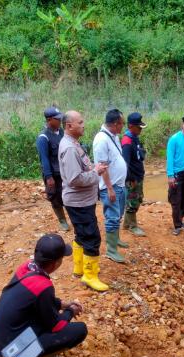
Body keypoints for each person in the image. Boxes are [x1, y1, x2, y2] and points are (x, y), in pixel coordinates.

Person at [0, 234, 87, 357]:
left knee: (41, 318)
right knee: (79, 330)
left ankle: (28, 352)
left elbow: (37, 300)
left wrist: (62, 304)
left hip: (0, 343)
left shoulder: (26, 268)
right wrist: (70, 311)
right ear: (56, 263)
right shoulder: (43, 286)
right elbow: (56, 326)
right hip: (12, 353)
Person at [58, 110, 109, 291]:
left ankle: (79, 268)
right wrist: (96, 173)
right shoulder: (70, 148)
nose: (83, 124)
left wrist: (93, 168)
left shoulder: (72, 143)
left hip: (80, 201)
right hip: (78, 202)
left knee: (81, 234)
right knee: (91, 237)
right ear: (69, 126)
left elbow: (80, 169)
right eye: (80, 122)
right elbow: (75, 179)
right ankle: (90, 275)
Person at [93, 109, 129, 263]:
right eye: (122, 123)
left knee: (119, 214)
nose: (123, 126)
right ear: (115, 124)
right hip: (111, 186)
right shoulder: (102, 139)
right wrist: (109, 188)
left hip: (119, 184)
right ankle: (111, 250)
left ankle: (116, 240)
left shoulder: (113, 136)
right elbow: (102, 167)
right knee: (112, 217)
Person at [36, 106, 69, 231]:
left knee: (67, 195)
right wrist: (49, 177)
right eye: (57, 119)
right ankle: (62, 220)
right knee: (54, 197)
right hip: (53, 173)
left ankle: (71, 216)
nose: (60, 121)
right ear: (49, 120)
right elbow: (44, 159)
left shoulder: (61, 132)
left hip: (64, 171)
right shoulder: (43, 138)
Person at [121, 112, 147, 237]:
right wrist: (130, 178)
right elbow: (125, 163)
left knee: (138, 199)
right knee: (132, 201)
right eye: (139, 127)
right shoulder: (127, 141)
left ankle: (127, 223)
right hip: (132, 178)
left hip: (138, 175)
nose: (141, 129)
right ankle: (133, 226)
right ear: (131, 126)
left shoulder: (134, 137)